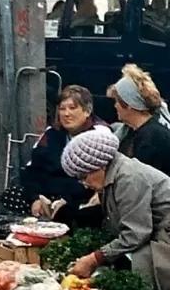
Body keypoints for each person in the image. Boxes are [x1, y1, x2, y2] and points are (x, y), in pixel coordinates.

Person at [61, 129, 170, 290]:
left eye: (84, 176)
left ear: (101, 165)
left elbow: (136, 234)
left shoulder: (128, 178)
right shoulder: (112, 177)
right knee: (121, 261)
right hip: (167, 233)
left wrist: (94, 258)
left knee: (139, 266)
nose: (84, 183)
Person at [12, 85, 110, 224]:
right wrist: (35, 198)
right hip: (46, 193)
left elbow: (97, 180)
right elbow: (32, 169)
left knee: (79, 211)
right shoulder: (52, 132)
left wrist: (64, 200)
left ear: (87, 111)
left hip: (78, 196)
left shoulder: (99, 134)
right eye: (62, 109)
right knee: (12, 194)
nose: (66, 114)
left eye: (72, 108)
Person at [109, 64, 170, 185]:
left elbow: (139, 182)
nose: (115, 106)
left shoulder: (153, 136)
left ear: (129, 104)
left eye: (117, 101)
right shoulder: (130, 131)